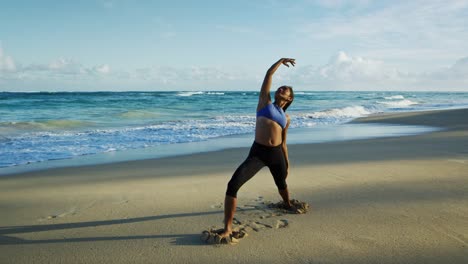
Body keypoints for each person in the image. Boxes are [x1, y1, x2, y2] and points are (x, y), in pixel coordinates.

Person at [219, 58, 296, 239]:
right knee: (233, 184)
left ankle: (286, 202)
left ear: (289, 98)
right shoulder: (264, 103)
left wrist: (287, 161)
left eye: (285, 89)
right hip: (258, 153)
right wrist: (280, 61)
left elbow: (284, 142)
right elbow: (268, 74)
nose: (281, 89)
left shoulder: (287, 118)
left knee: (282, 183)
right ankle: (228, 227)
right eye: (280, 87)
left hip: (276, 154)